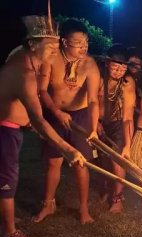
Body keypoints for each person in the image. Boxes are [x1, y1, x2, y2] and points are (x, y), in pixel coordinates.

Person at [0, 14, 85, 237]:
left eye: (57, 47)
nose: (54, 53)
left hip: (11, 127)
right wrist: (67, 149)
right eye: (49, 47)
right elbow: (38, 119)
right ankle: (9, 232)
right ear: (32, 44)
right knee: (7, 181)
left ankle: (5, 218)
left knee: (6, 179)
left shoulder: (27, 57)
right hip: (4, 130)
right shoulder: (24, 72)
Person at [33, 19, 100, 224]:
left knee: (81, 163)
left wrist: (94, 128)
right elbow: (42, 90)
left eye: (86, 42)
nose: (83, 46)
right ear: (64, 42)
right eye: (78, 42)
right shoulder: (51, 60)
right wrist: (56, 112)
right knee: (54, 162)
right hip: (56, 114)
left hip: (80, 116)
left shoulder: (89, 64)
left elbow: (94, 100)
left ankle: (83, 210)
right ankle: (48, 204)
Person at [97, 44, 135, 213]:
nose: (120, 71)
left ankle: (118, 197)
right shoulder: (97, 77)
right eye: (116, 66)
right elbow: (88, 102)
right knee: (103, 159)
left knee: (117, 159)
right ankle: (108, 188)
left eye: (123, 67)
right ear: (107, 63)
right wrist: (95, 123)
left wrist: (127, 145)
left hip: (118, 122)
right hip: (97, 121)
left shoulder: (127, 83)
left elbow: (127, 117)